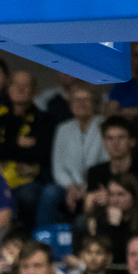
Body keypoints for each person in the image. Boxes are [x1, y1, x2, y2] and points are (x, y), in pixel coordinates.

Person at [0, 69, 55, 229]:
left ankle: (29, 236)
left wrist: (3, 146)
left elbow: (40, 153)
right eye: (16, 84)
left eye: (25, 85)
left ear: (34, 91)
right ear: (9, 88)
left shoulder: (44, 119)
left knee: (27, 196)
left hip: (30, 180)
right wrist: (18, 145)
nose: (20, 89)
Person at [43, 84, 108, 226]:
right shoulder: (63, 129)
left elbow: (106, 162)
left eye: (86, 99)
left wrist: (86, 187)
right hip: (69, 186)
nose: (81, 103)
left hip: (97, 185)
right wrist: (71, 187)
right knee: (49, 192)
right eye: (77, 100)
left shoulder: (104, 126)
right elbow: (58, 166)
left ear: (95, 104)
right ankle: (42, 235)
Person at [77, 173, 138, 263]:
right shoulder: (103, 217)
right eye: (111, 194)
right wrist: (113, 225)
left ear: (133, 196)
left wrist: (117, 227)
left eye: (120, 194)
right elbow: (106, 255)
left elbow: (133, 253)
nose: (115, 200)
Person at [86, 116, 138, 208]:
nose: (115, 143)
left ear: (132, 142)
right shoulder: (95, 172)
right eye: (110, 138)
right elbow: (88, 208)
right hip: (106, 216)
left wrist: (110, 199)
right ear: (104, 143)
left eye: (121, 137)